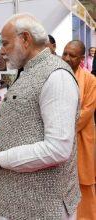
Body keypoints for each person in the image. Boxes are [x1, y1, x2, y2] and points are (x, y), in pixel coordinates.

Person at [0, 13, 80, 219]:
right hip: (18, 202)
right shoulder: (28, 71)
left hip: (42, 207)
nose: (2, 51)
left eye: (5, 43)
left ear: (25, 39)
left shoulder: (56, 77)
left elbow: (58, 149)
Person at [62, 40, 96, 220]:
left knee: (84, 180)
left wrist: (59, 128)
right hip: (60, 141)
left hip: (82, 138)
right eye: (65, 53)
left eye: (72, 55)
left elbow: (86, 112)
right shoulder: (56, 77)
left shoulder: (91, 81)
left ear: (81, 59)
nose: (67, 58)